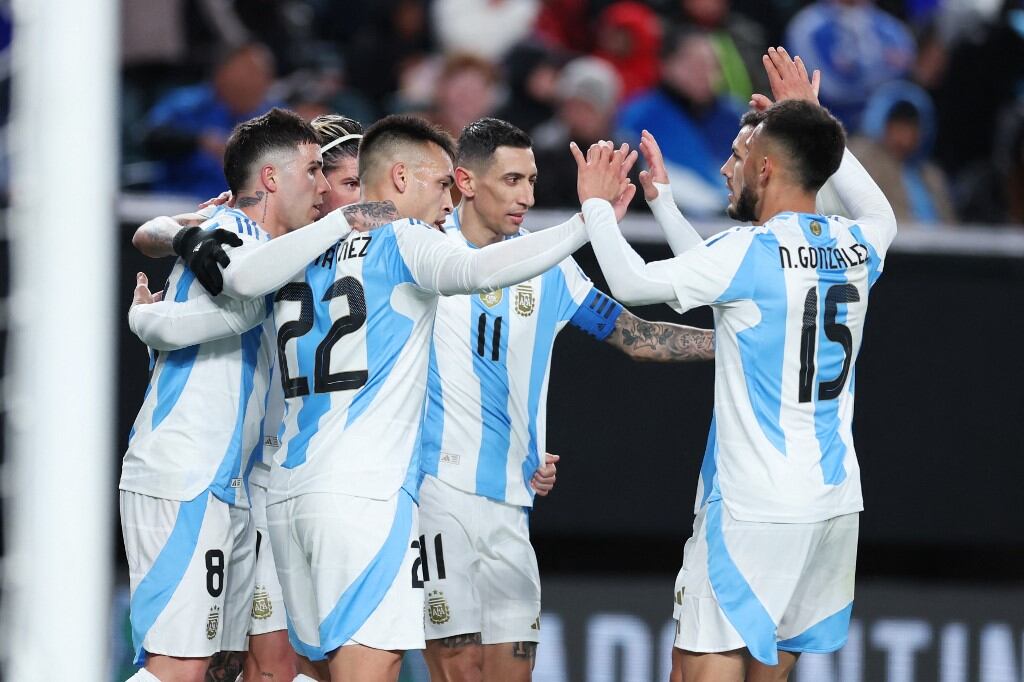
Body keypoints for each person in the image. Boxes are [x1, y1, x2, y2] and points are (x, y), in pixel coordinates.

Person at [174, 114, 627, 681]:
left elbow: (222, 283)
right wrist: (590, 219)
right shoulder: (405, 239)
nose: (449, 200)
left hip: (289, 492)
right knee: (373, 666)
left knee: (313, 669)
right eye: (441, 184)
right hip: (364, 496)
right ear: (400, 178)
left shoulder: (292, 248)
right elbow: (478, 266)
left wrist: (159, 288)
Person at [576, 48, 897, 681]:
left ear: (769, 167)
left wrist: (593, 206)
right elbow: (877, 210)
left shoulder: (749, 249)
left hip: (751, 505)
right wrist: (808, 113)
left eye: (743, 158)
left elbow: (632, 281)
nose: (732, 168)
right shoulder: (858, 244)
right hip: (832, 503)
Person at [418, 118, 714, 682]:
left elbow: (635, 337)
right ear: (466, 180)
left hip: (511, 502)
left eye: (531, 180)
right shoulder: (422, 253)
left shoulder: (549, 261)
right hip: (435, 495)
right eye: (511, 180)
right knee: (458, 671)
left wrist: (737, 343)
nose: (527, 196)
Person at [120, 107, 330, 682]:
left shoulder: (256, 242)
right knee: (178, 668)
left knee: (218, 668)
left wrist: (156, 312)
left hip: (229, 483)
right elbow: (228, 284)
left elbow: (155, 232)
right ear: (270, 178)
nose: (321, 184)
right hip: (185, 473)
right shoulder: (232, 233)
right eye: (311, 170)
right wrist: (153, 319)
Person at [617, 27, 745, 217]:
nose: (705, 73)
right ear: (667, 65)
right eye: (695, 64)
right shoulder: (639, 117)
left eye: (712, 66)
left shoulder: (735, 116)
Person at [140, 43, 280, 199]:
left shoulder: (274, 116)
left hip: (249, 211)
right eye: (250, 72)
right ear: (222, 72)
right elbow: (150, 138)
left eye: (264, 74)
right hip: (183, 206)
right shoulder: (187, 104)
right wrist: (200, 140)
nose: (258, 81)